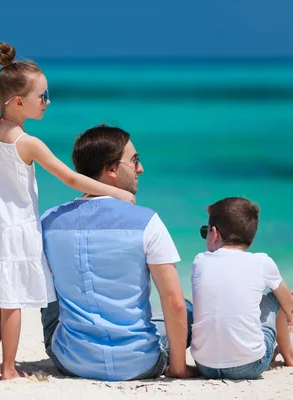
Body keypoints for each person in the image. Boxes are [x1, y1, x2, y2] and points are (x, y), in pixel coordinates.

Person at [0, 44, 135, 381]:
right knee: (15, 300)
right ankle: (8, 370)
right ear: (18, 102)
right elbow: (69, 177)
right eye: (42, 96)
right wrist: (116, 191)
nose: (47, 101)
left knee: (9, 293)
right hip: (17, 228)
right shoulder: (28, 143)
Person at [40, 124, 199, 381]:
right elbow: (174, 302)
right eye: (134, 161)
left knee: (52, 284)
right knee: (188, 309)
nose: (140, 169)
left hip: (72, 361)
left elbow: (29, 288)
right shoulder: (147, 221)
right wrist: (178, 369)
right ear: (111, 169)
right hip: (139, 363)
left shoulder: (47, 222)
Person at [191, 197, 293, 380]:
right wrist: (289, 317)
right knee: (276, 298)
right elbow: (287, 302)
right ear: (250, 242)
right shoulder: (262, 261)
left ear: (214, 233)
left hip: (205, 366)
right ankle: (290, 354)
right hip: (249, 366)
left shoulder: (199, 261)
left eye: (205, 232)